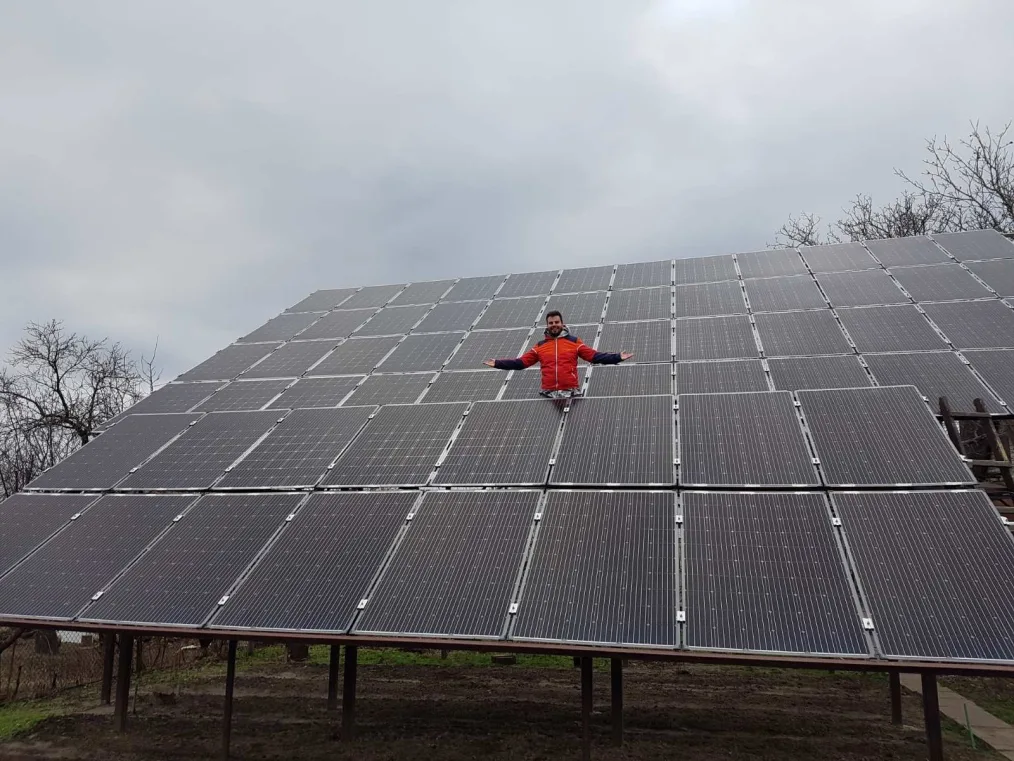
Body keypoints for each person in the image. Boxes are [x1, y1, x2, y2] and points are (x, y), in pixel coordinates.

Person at [484, 311, 634, 396]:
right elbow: (521, 363)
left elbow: (594, 356)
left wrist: (617, 357)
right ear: (547, 325)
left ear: (562, 323)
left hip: (571, 392)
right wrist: (497, 363)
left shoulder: (574, 342)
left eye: (556, 322)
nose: (554, 325)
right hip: (547, 393)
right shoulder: (540, 346)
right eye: (551, 323)